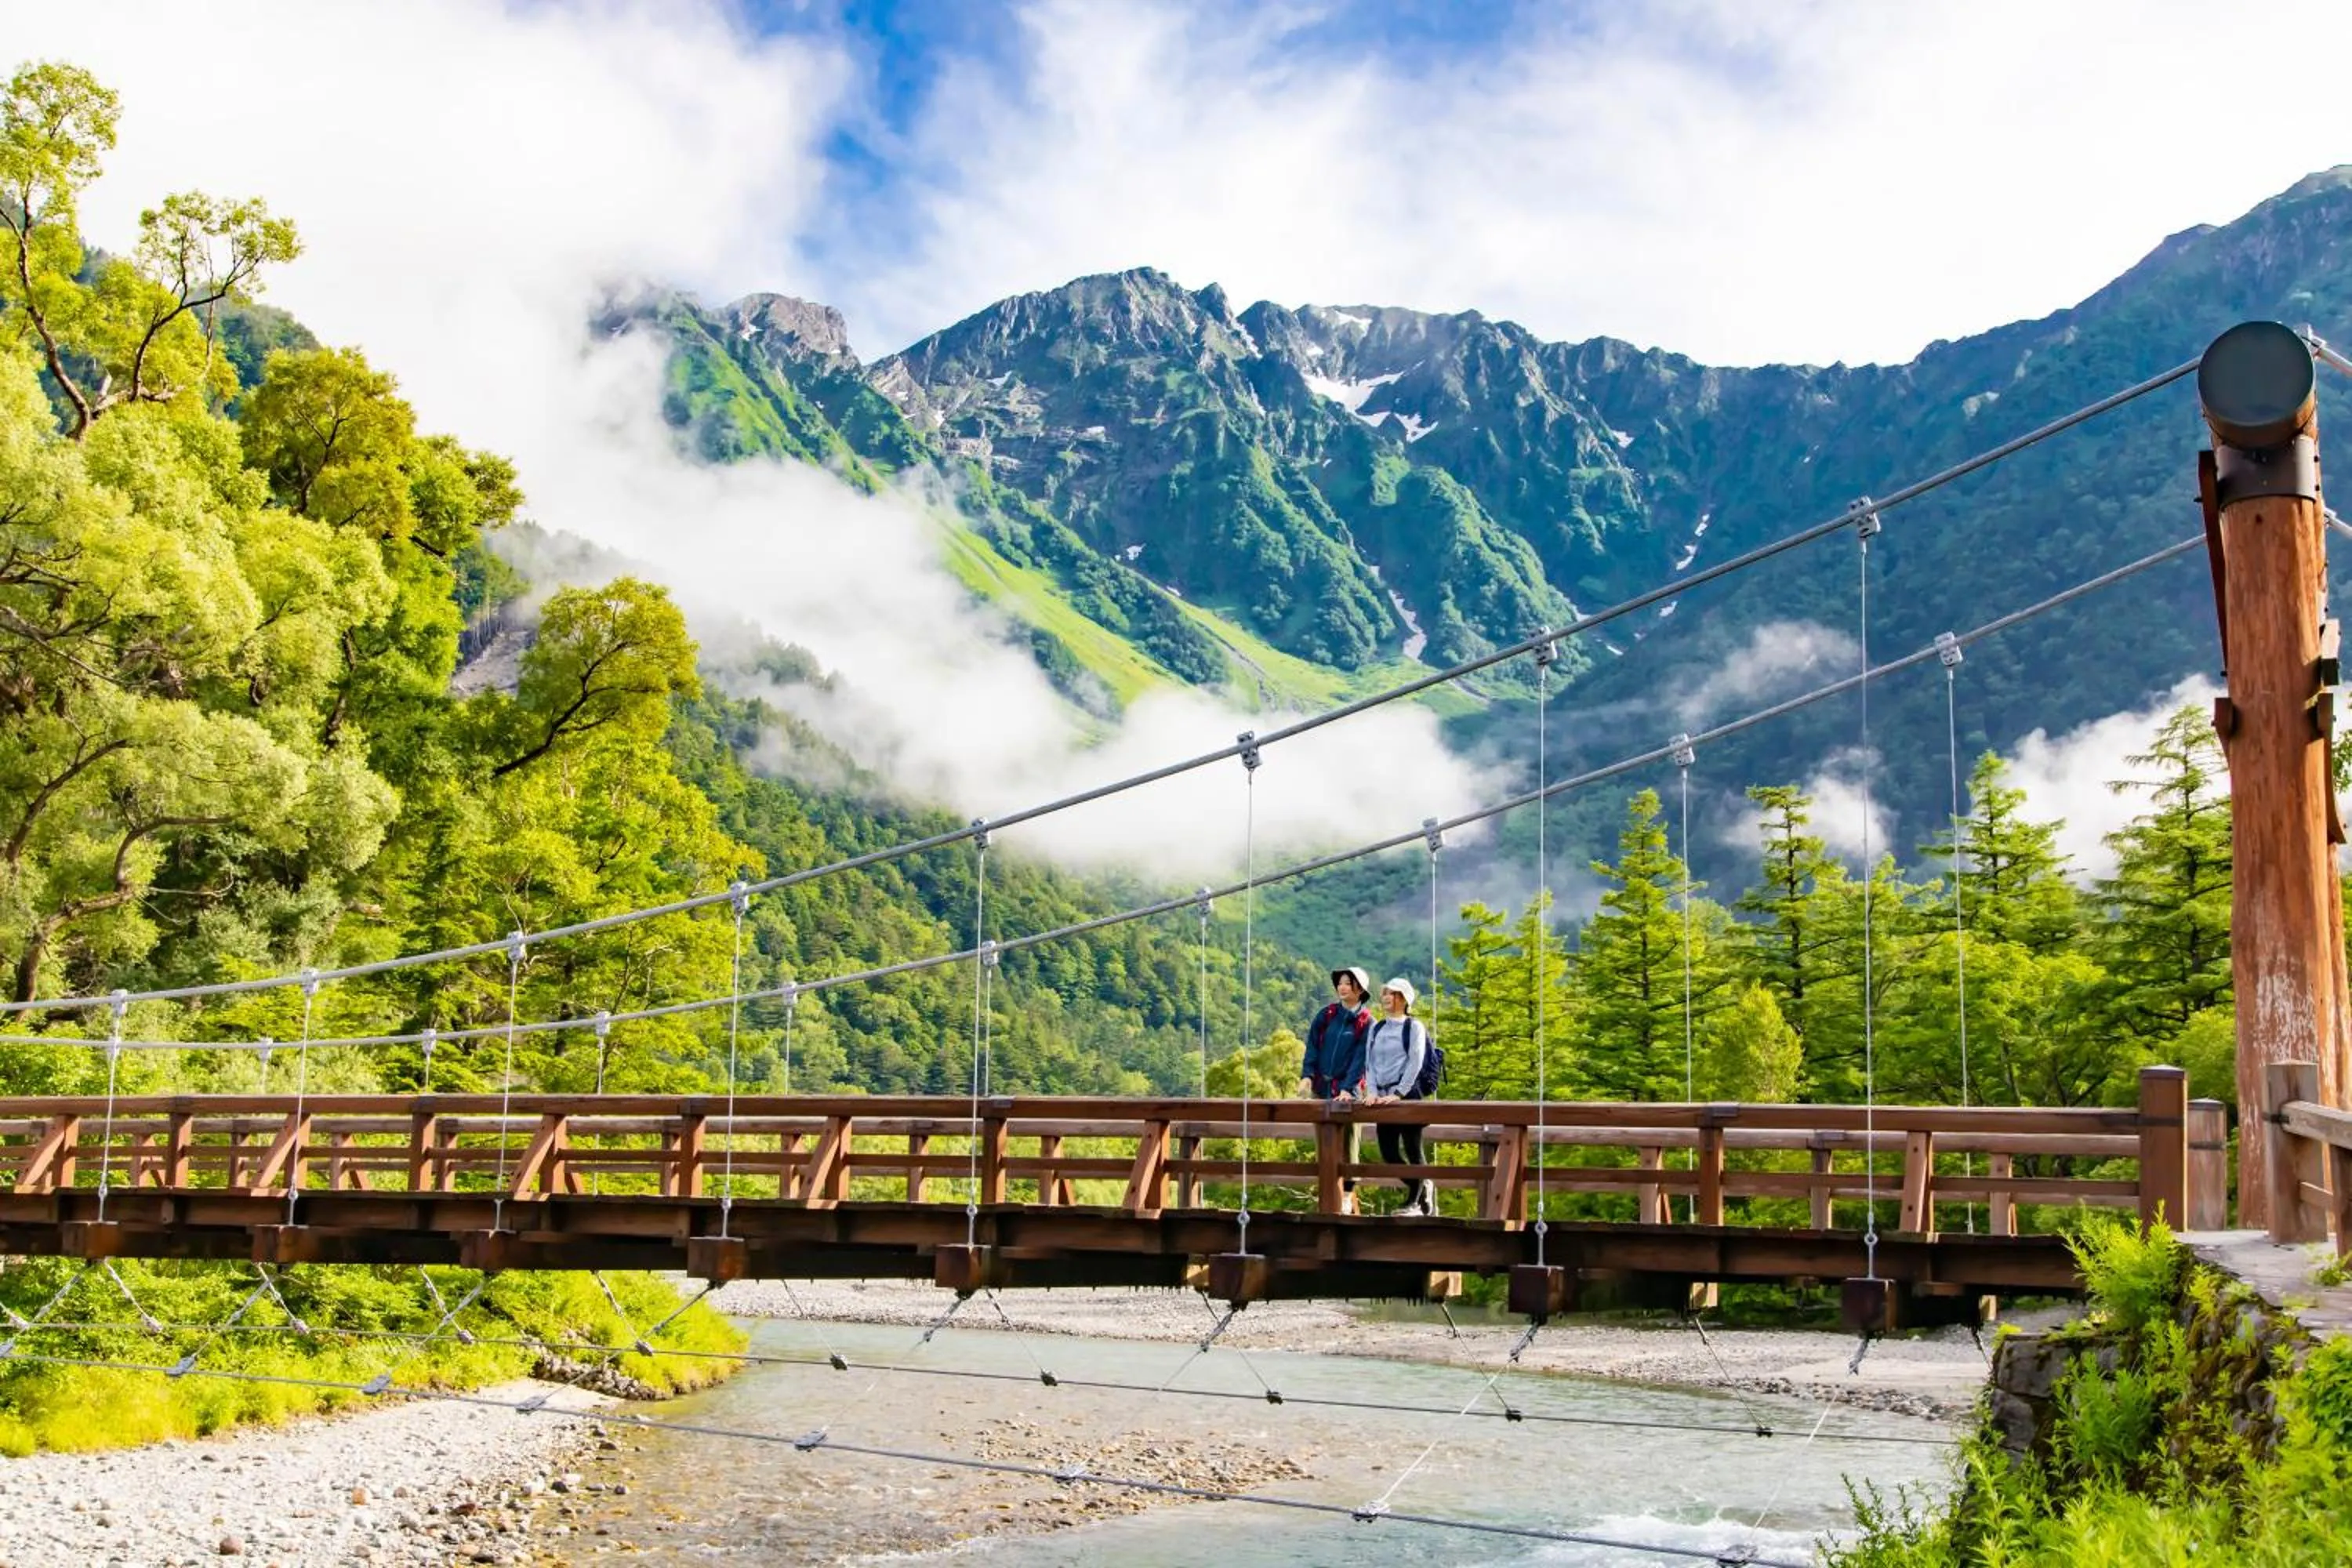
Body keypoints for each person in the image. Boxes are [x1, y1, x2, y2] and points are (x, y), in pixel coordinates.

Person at [1299, 967, 1373, 1211]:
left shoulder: (1366, 1022)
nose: (1342, 987)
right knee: (1323, 1142)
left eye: (1348, 983)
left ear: (1359, 989)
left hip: (1350, 1092)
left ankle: (1347, 1195)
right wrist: (1307, 1075)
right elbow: (1313, 1046)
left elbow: (1361, 1059)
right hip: (1322, 1088)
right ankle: (1328, 1192)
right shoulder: (1327, 1015)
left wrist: (1348, 1089)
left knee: (1350, 1142)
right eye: (1340, 983)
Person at [1363, 977, 1434, 1216]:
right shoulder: (1377, 1027)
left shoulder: (1414, 1027)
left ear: (1403, 999)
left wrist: (1399, 1093)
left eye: (1391, 994)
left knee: (1413, 1149)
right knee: (1389, 1153)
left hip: (1407, 1095)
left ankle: (1414, 1201)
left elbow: (1415, 1062)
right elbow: (1369, 1063)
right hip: (1382, 1097)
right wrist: (1372, 1091)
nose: (1385, 997)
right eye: (1385, 993)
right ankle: (1422, 1186)